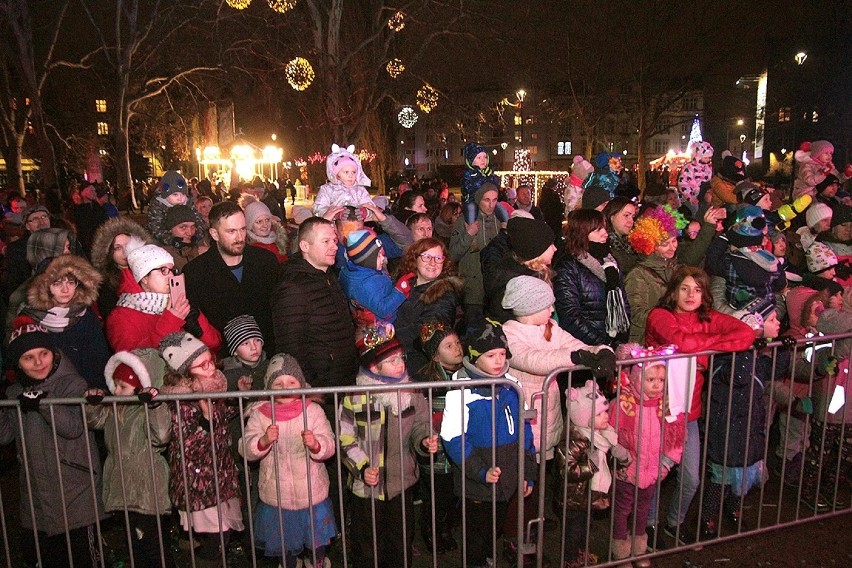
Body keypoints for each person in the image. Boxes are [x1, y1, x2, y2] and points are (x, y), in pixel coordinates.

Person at [643, 267, 755, 546]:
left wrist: (702, 347)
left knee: (692, 477)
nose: (691, 295)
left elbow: (745, 334)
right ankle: (650, 525)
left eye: (697, 289)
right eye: (684, 288)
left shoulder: (709, 318)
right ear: (673, 291)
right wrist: (713, 347)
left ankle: (674, 522)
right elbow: (682, 341)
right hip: (658, 410)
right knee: (654, 475)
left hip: (689, 413)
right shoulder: (660, 316)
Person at [0, 321, 104, 567]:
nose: (38, 363)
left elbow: (73, 428)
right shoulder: (15, 393)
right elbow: (4, 435)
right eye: (28, 358)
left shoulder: (72, 384)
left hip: (75, 494)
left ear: (53, 353)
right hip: (37, 500)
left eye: (43, 354)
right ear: (18, 364)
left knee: (84, 560)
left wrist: (44, 405)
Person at [440, 318, 537, 568]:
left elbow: (525, 430)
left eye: (502, 354)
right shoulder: (461, 391)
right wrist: (480, 472)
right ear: (473, 356)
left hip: (507, 479)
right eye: (490, 355)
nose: (498, 361)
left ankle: (488, 559)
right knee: (476, 535)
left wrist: (528, 472)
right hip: (477, 484)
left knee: (494, 530)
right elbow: (452, 438)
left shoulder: (511, 385)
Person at [339, 325, 437, 568]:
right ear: (374, 366)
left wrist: (425, 440)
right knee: (368, 543)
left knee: (400, 539)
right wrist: (362, 468)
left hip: (401, 481)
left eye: (401, 358)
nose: (400, 364)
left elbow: (421, 424)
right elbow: (345, 438)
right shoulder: (355, 396)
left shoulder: (411, 393)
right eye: (391, 361)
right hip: (367, 486)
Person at [241, 354, 337, 568]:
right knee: (284, 542)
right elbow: (246, 447)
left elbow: (330, 443)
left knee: (316, 538)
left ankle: (316, 561)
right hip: (277, 496)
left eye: (291, 382)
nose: (285, 387)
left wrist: (316, 444)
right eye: (278, 383)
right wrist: (263, 440)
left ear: (301, 384)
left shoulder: (313, 410)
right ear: (268, 387)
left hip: (311, 493)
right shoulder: (260, 414)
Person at [84, 349, 174, 568]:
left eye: (122, 386)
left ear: (140, 386)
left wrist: (154, 405)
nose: (115, 390)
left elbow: (161, 435)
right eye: (115, 384)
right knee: (136, 548)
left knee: (154, 548)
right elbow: (94, 422)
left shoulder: (146, 411)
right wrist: (93, 403)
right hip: (123, 490)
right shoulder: (115, 409)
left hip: (146, 491)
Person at [158, 331, 244, 561]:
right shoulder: (182, 401)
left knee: (221, 534)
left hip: (219, 473)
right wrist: (205, 420)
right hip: (198, 479)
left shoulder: (211, 388)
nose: (210, 368)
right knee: (217, 536)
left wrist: (242, 398)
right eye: (201, 365)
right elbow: (185, 443)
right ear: (186, 373)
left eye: (211, 361)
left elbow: (223, 418)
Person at [701, 309, 780, 539]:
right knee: (721, 479)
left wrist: (780, 349)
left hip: (749, 426)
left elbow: (774, 370)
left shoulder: (754, 355)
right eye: (772, 320)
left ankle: (732, 509)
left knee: (744, 474)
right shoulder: (728, 359)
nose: (778, 323)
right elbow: (740, 376)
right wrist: (748, 343)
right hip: (727, 429)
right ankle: (707, 517)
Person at [610, 343, 686, 566]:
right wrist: (621, 456)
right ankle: (621, 551)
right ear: (635, 379)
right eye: (650, 380)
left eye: (661, 381)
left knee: (643, 508)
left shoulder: (666, 407)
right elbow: (611, 435)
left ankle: (639, 548)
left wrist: (665, 464)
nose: (656, 386)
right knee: (622, 510)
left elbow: (675, 439)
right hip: (627, 469)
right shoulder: (623, 405)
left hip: (653, 470)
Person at [274, 217, 358, 389]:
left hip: (343, 378)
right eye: (326, 241)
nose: (334, 246)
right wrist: (311, 385)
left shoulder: (328, 276)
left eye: (334, 241)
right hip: (322, 385)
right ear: (305, 246)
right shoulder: (293, 287)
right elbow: (291, 345)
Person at [183, 201, 279, 351]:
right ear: (214, 234)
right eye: (231, 231)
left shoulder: (266, 261)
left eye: (243, 229)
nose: (240, 237)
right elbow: (193, 322)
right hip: (224, 361)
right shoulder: (195, 273)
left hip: (268, 353)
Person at [106, 237, 222, 352]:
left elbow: (215, 345)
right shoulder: (120, 317)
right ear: (145, 277)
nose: (171, 276)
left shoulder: (178, 302)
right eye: (163, 270)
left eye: (172, 270)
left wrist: (198, 325)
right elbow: (135, 361)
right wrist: (171, 321)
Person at [560, 380, 630, 568]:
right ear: (585, 418)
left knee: (585, 527)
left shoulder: (601, 435)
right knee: (573, 530)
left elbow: (604, 460)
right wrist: (590, 464)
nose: (606, 417)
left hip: (588, 494)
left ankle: (581, 553)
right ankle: (570, 559)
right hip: (573, 496)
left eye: (605, 411)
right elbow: (567, 468)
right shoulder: (575, 439)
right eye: (599, 414)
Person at [19, 255, 110, 390]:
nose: (65, 289)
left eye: (71, 282)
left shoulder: (87, 317)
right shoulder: (29, 319)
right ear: (44, 286)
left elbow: (99, 361)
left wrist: (97, 391)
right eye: (57, 283)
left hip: (86, 395)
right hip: (45, 395)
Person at [412, 321, 463, 553]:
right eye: (448, 346)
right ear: (435, 356)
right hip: (436, 449)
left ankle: (446, 529)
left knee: (453, 493)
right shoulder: (428, 381)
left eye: (457, 343)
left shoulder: (467, 375)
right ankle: (431, 532)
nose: (457, 348)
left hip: (459, 447)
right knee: (436, 496)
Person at [553, 209, 630, 349]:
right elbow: (570, 316)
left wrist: (621, 337)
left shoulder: (610, 261)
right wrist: (602, 343)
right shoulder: (569, 267)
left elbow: (623, 301)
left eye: (604, 228)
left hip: (613, 344)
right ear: (582, 233)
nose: (605, 234)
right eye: (597, 230)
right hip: (585, 348)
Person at [393, 237, 461, 373]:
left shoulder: (445, 293)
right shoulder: (404, 284)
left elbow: (426, 329)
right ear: (415, 259)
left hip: (419, 364)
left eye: (438, 258)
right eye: (426, 257)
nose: (433, 263)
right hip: (398, 358)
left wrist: (389, 338)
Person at [624, 205, 684, 342]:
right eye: (665, 244)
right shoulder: (638, 274)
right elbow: (635, 313)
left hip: (673, 337)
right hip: (646, 342)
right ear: (651, 246)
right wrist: (670, 317)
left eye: (674, 241)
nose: (672, 247)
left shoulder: (677, 268)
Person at [482, 216, 556, 323]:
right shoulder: (518, 286)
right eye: (550, 244)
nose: (555, 248)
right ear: (536, 251)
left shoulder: (534, 274)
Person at [449, 182, 502, 331]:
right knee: (474, 330)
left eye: (495, 199)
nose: (491, 204)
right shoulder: (466, 221)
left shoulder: (501, 220)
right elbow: (453, 254)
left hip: (495, 289)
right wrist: (469, 234)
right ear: (479, 200)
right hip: (473, 289)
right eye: (487, 200)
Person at [338, 228, 406, 335]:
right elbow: (384, 310)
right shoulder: (364, 284)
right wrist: (401, 290)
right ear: (366, 260)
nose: (383, 258)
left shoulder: (360, 270)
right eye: (378, 255)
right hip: (383, 327)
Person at [89, 216, 153, 319]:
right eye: (117, 248)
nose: (125, 252)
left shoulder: (151, 270)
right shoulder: (106, 283)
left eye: (128, 244)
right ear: (109, 252)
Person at [146, 170, 208, 247]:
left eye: (183, 194)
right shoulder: (157, 205)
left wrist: (197, 236)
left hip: (189, 239)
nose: (180, 198)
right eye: (175, 194)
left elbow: (198, 221)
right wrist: (172, 240)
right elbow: (155, 227)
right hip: (164, 243)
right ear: (165, 194)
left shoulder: (188, 203)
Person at [312, 143, 374, 218]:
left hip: (356, 225)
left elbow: (371, 206)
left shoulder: (360, 191)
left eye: (354, 172)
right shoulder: (327, 189)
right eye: (346, 172)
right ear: (337, 174)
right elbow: (318, 208)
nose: (350, 175)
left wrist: (366, 211)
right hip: (332, 226)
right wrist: (334, 214)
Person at [3, 205, 52, 298]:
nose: (42, 222)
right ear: (27, 226)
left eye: (44, 217)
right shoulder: (17, 249)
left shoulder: (64, 241)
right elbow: (13, 284)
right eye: (35, 219)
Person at [461, 142, 508, 225]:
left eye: (485, 157)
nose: (483, 160)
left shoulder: (488, 172)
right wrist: (485, 178)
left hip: (488, 199)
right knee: (471, 209)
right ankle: (471, 228)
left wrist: (489, 177)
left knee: (501, 208)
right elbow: (470, 186)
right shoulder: (468, 173)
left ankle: (507, 224)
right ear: (471, 161)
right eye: (479, 157)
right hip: (471, 200)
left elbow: (497, 182)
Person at [221, 314, 269, 392]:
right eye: (245, 343)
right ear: (235, 351)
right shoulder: (228, 377)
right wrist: (242, 393)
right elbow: (225, 402)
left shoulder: (271, 367)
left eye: (257, 340)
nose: (253, 347)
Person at [160, 204, 206, 272]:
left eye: (192, 227)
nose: (190, 233)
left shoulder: (203, 245)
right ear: (170, 229)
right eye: (183, 227)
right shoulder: (162, 255)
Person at [244, 199, 288, 263]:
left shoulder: (279, 241)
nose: (265, 225)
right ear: (250, 225)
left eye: (267, 220)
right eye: (259, 222)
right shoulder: (250, 251)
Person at [72, 182, 110, 256]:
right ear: (83, 193)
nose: (94, 193)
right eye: (91, 190)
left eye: (94, 190)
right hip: (87, 245)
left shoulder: (98, 207)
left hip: (100, 242)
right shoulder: (78, 210)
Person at [604, 196, 639, 275]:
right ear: (612, 216)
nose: (631, 221)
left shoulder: (631, 243)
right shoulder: (605, 245)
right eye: (626, 215)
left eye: (633, 217)